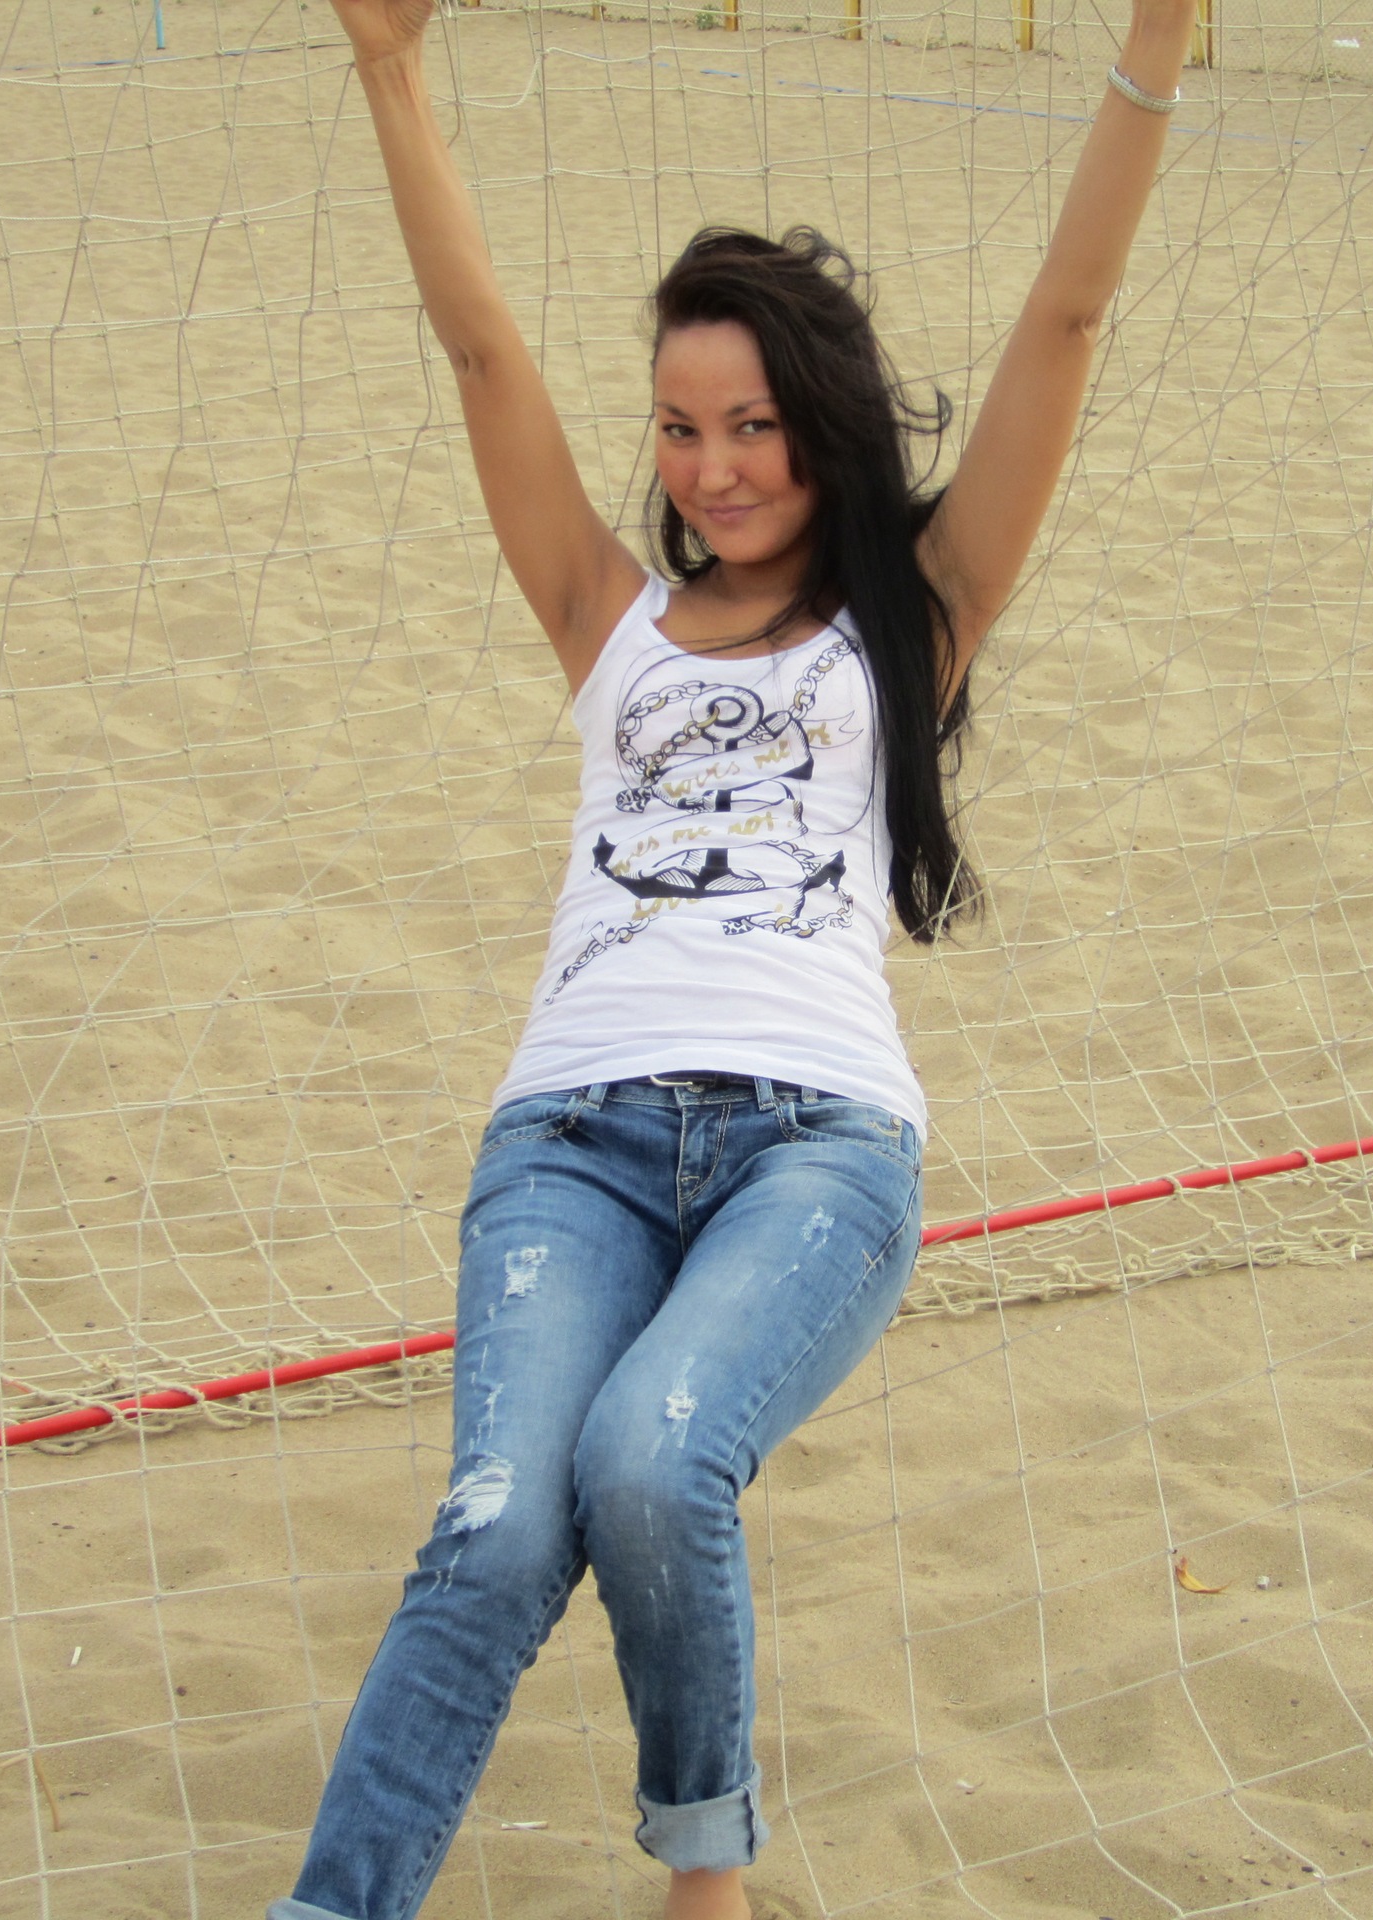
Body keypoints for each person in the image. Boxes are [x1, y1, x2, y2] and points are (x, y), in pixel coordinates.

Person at [278, 2, 1197, 1916]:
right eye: (681, 429)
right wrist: (389, 66)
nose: (713, 468)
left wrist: (1157, 40)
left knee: (651, 1457)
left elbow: (1066, 320)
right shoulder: (602, 617)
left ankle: (708, 1881)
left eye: (754, 425)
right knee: (496, 1526)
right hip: (570, 1141)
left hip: (816, 1147)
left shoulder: (912, 612)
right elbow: (481, 350)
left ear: (822, 425)